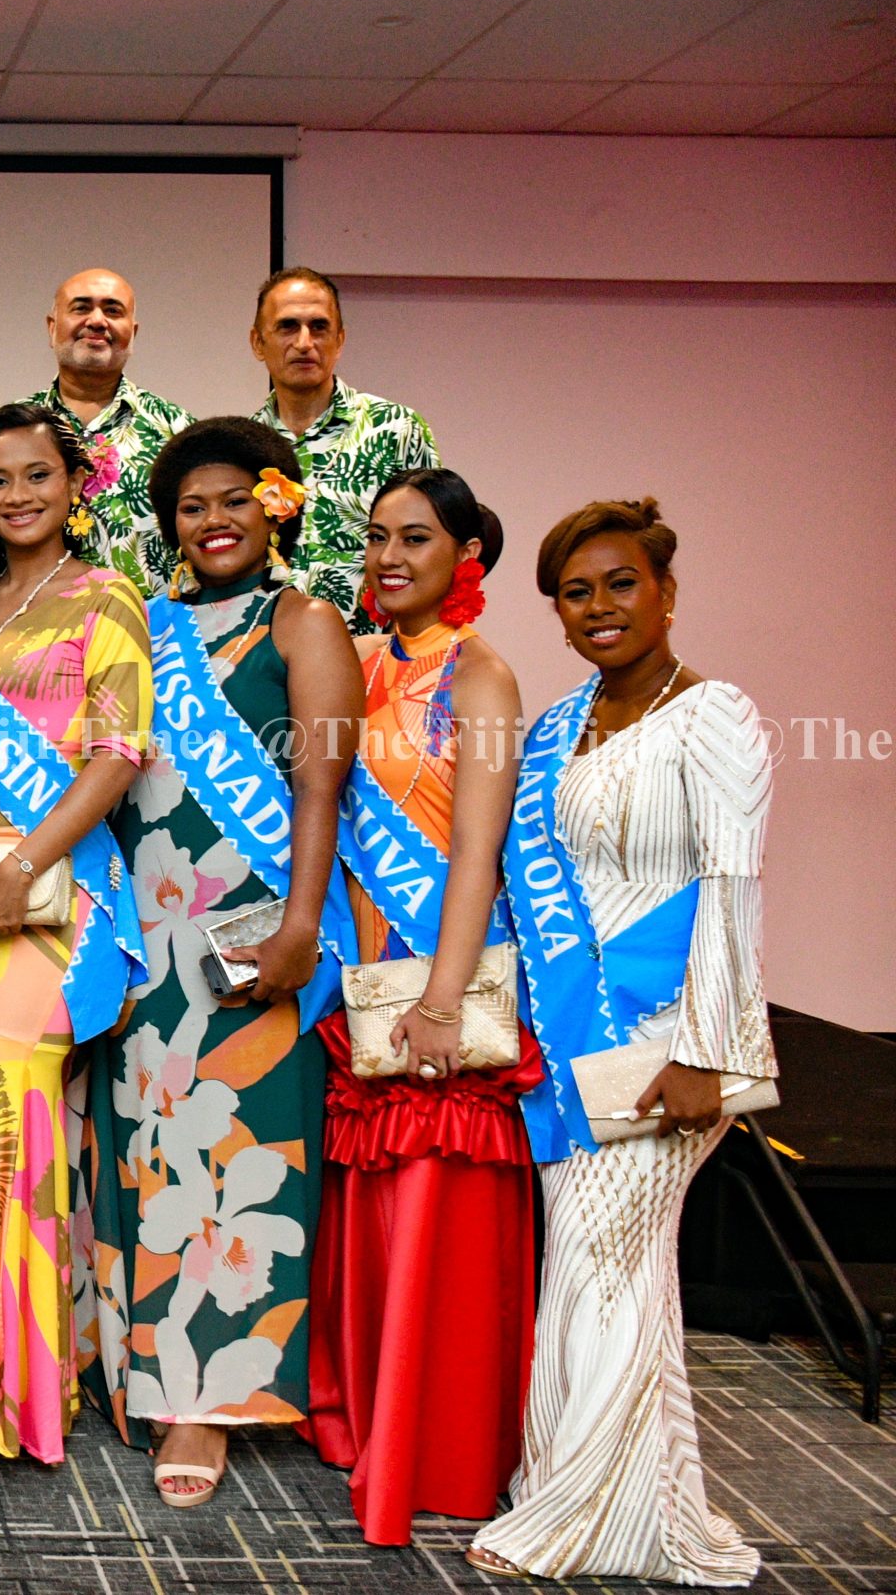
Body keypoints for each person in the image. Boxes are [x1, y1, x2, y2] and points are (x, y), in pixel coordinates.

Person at [470, 500, 773, 1585]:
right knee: (601, 1269)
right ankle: (614, 1502)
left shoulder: (716, 716)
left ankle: (576, 1509)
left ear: (666, 590)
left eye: (620, 583)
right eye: (575, 591)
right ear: (554, 611)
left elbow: (732, 890)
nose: (598, 607)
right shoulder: (559, 723)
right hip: (568, 1033)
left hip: (664, 1041)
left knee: (609, 1260)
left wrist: (708, 1052)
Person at [76, 419, 361, 1508]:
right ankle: (138, 1370)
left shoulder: (304, 620)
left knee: (238, 1158)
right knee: (146, 1146)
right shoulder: (142, 626)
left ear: (275, 504)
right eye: (190, 507)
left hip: (248, 938)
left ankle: (208, 1401)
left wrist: (298, 926)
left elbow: (322, 791)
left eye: (232, 499)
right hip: (145, 938)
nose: (212, 520)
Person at [0, 404, 150, 1472]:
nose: (17, 495)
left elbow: (116, 753)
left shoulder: (107, 597)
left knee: (8, 1132)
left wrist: (26, 863)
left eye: (36, 475)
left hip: (48, 897)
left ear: (72, 483)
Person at [306, 466, 544, 1547]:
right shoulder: (353, 662)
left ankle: (434, 1444)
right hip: (358, 972)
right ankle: (365, 1420)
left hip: (434, 973)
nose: (387, 557)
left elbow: (478, 853)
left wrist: (444, 1000)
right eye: (374, 539)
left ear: (464, 557)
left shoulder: (480, 677)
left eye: (413, 538)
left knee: (431, 1206)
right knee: (369, 1208)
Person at [248, 268, 439, 629]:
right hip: (267, 658)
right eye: (288, 326)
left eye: (319, 327)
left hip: (377, 656)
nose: (305, 342)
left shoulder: (395, 428)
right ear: (258, 343)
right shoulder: (242, 447)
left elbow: (436, 553)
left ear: (340, 339)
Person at [24, 268, 194, 598]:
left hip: (150, 636)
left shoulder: (178, 433)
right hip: (36, 635)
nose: (98, 321)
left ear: (133, 331)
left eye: (113, 310)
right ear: (52, 327)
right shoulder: (14, 432)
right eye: (81, 307)